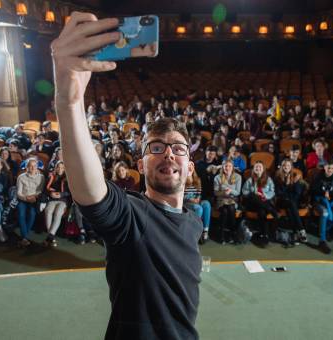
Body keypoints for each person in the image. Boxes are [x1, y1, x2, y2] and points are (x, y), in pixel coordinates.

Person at [52, 14, 203, 338]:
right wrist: (69, 103)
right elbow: (91, 190)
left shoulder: (193, 222)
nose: (168, 153)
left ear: (190, 167)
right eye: (157, 148)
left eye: (178, 148)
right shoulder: (131, 217)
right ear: (142, 163)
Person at [310, 161, 333, 254]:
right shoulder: (319, 176)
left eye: (332, 168)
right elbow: (312, 190)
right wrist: (323, 193)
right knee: (325, 213)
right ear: (325, 167)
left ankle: (324, 229)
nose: (330, 170)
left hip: (331, 201)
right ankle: (322, 240)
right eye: (328, 168)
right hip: (318, 201)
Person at [242, 161, 279, 246]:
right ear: (254, 169)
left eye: (260, 167)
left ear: (263, 169)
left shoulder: (268, 179)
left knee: (262, 211)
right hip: (252, 204)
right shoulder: (250, 180)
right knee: (253, 195)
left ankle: (264, 235)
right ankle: (270, 209)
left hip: (263, 202)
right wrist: (255, 193)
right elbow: (244, 191)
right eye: (256, 167)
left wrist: (264, 195)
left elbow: (272, 191)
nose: (258, 168)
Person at [274, 159, 308, 245]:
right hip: (281, 201)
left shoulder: (295, 176)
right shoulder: (277, 177)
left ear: (291, 167)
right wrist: (287, 184)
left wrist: (294, 183)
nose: (286, 167)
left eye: (288, 166)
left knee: (290, 208)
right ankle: (301, 230)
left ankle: (295, 233)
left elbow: (297, 193)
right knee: (291, 204)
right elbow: (279, 193)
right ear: (282, 167)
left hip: (292, 201)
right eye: (284, 165)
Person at [16, 158, 45, 246]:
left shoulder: (41, 177)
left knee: (32, 213)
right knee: (21, 214)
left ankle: (24, 237)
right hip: (23, 199)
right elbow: (18, 193)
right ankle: (25, 237)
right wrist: (26, 198)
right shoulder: (21, 177)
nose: (33, 168)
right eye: (30, 166)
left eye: (34, 166)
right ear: (27, 167)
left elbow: (40, 190)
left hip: (34, 199)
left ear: (37, 167)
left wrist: (34, 197)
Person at [213, 159, 242, 244]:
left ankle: (228, 234)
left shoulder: (238, 177)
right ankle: (229, 234)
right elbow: (215, 192)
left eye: (229, 166)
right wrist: (223, 192)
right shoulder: (217, 177)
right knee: (225, 210)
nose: (227, 168)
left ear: (232, 167)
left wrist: (230, 191)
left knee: (230, 208)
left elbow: (237, 192)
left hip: (233, 200)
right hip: (221, 200)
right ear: (222, 167)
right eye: (226, 166)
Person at [43, 161, 70, 247]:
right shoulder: (52, 176)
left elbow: (70, 192)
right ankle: (51, 236)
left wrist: (61, 194)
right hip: (52, 199)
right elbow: (45, 189)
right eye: (58, 167)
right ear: (55, 168)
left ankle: (49, 236)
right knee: (48, 211)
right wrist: (50, 194)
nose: (60, 169)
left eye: (62, 167)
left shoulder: (68, 177)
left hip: (63, 200)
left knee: (58, 213)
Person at [184, 168, 211, 243]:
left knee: (206, 204)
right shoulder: (182, 180)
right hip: (186, 202)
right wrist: (190, 199)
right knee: (198, 208)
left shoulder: (197, 180)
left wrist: (198, 199)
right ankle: (195, 231)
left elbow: (199, 193)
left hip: (195, 201)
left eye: (190, 170)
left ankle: (205, 231)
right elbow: (181, 196)